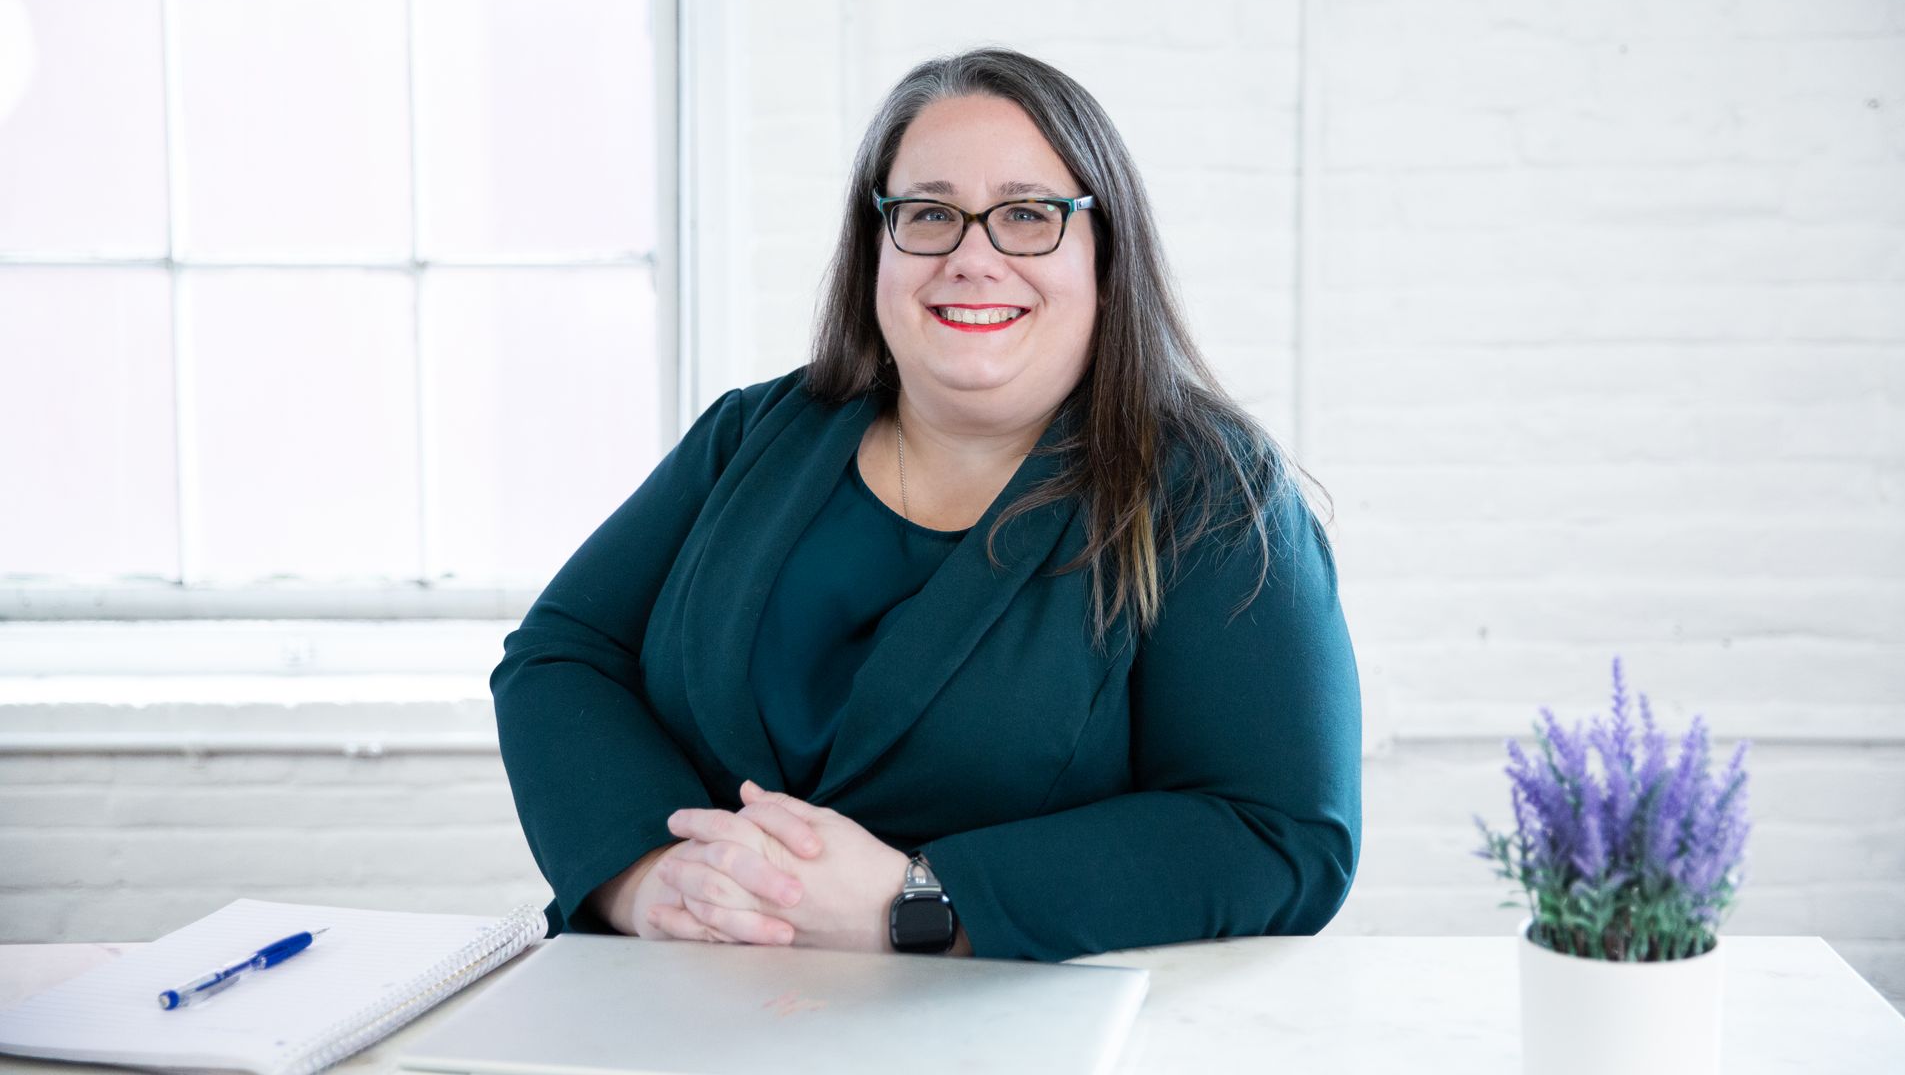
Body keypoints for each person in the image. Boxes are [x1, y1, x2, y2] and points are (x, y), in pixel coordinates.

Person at [491, 47, 1362, 963]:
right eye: (930, 214)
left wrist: (918, 906)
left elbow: (1279, 835)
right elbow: (561, 656)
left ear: (1107, 252)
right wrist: (643, 876)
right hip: (679, 1010)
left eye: (1027, 216)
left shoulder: (1212, 496)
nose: (972, 258)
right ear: (877, 244)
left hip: (1003, 1038)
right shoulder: (753, 436)